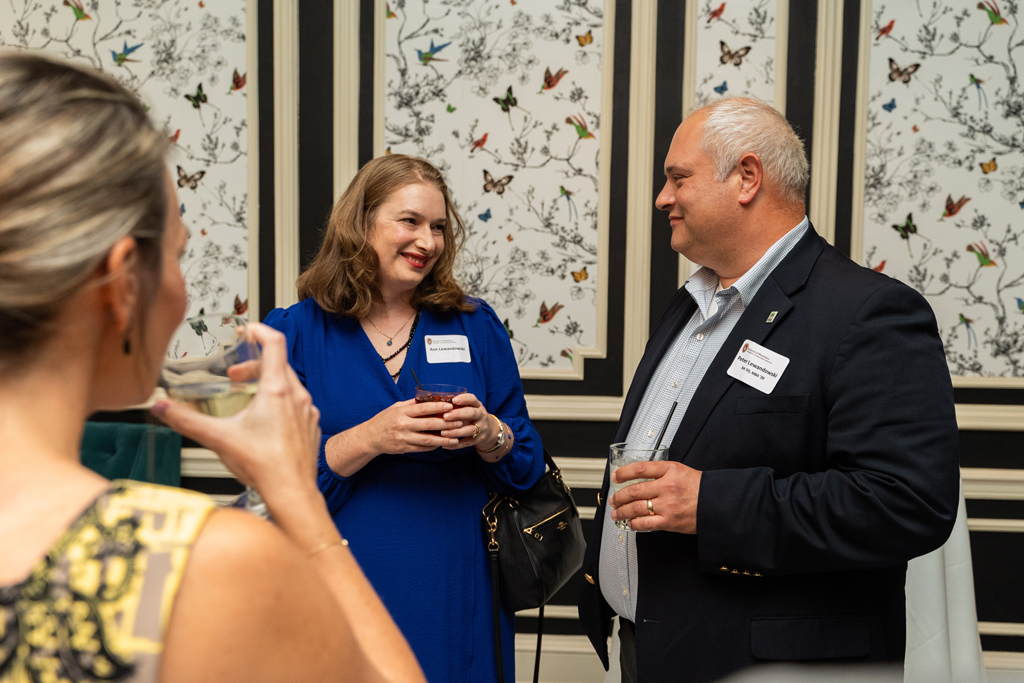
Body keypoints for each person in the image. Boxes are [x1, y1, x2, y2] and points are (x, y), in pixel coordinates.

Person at [0, 51, 425, 683]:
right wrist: (294, 498)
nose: (183, 291)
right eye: (176, 255)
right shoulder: (183, 566)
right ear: (121, 284)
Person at [577, 97, 961, 683]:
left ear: (747, 178)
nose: (663, 198)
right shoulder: (690, 306)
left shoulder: (869, 313)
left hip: (769, 665)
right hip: (650, 651)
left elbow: (907, 503)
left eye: (678, 178)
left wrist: (712, 504)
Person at [263, 153, 546, 683]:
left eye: (438, 227)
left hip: (456, 584)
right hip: (341, 581)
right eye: (410, 222)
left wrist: (490, 433)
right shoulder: (295, 334)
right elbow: (277, 489)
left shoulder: (473, 325)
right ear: (360, 223)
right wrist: (371, 438)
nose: (429, 241)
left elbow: (527, 465)